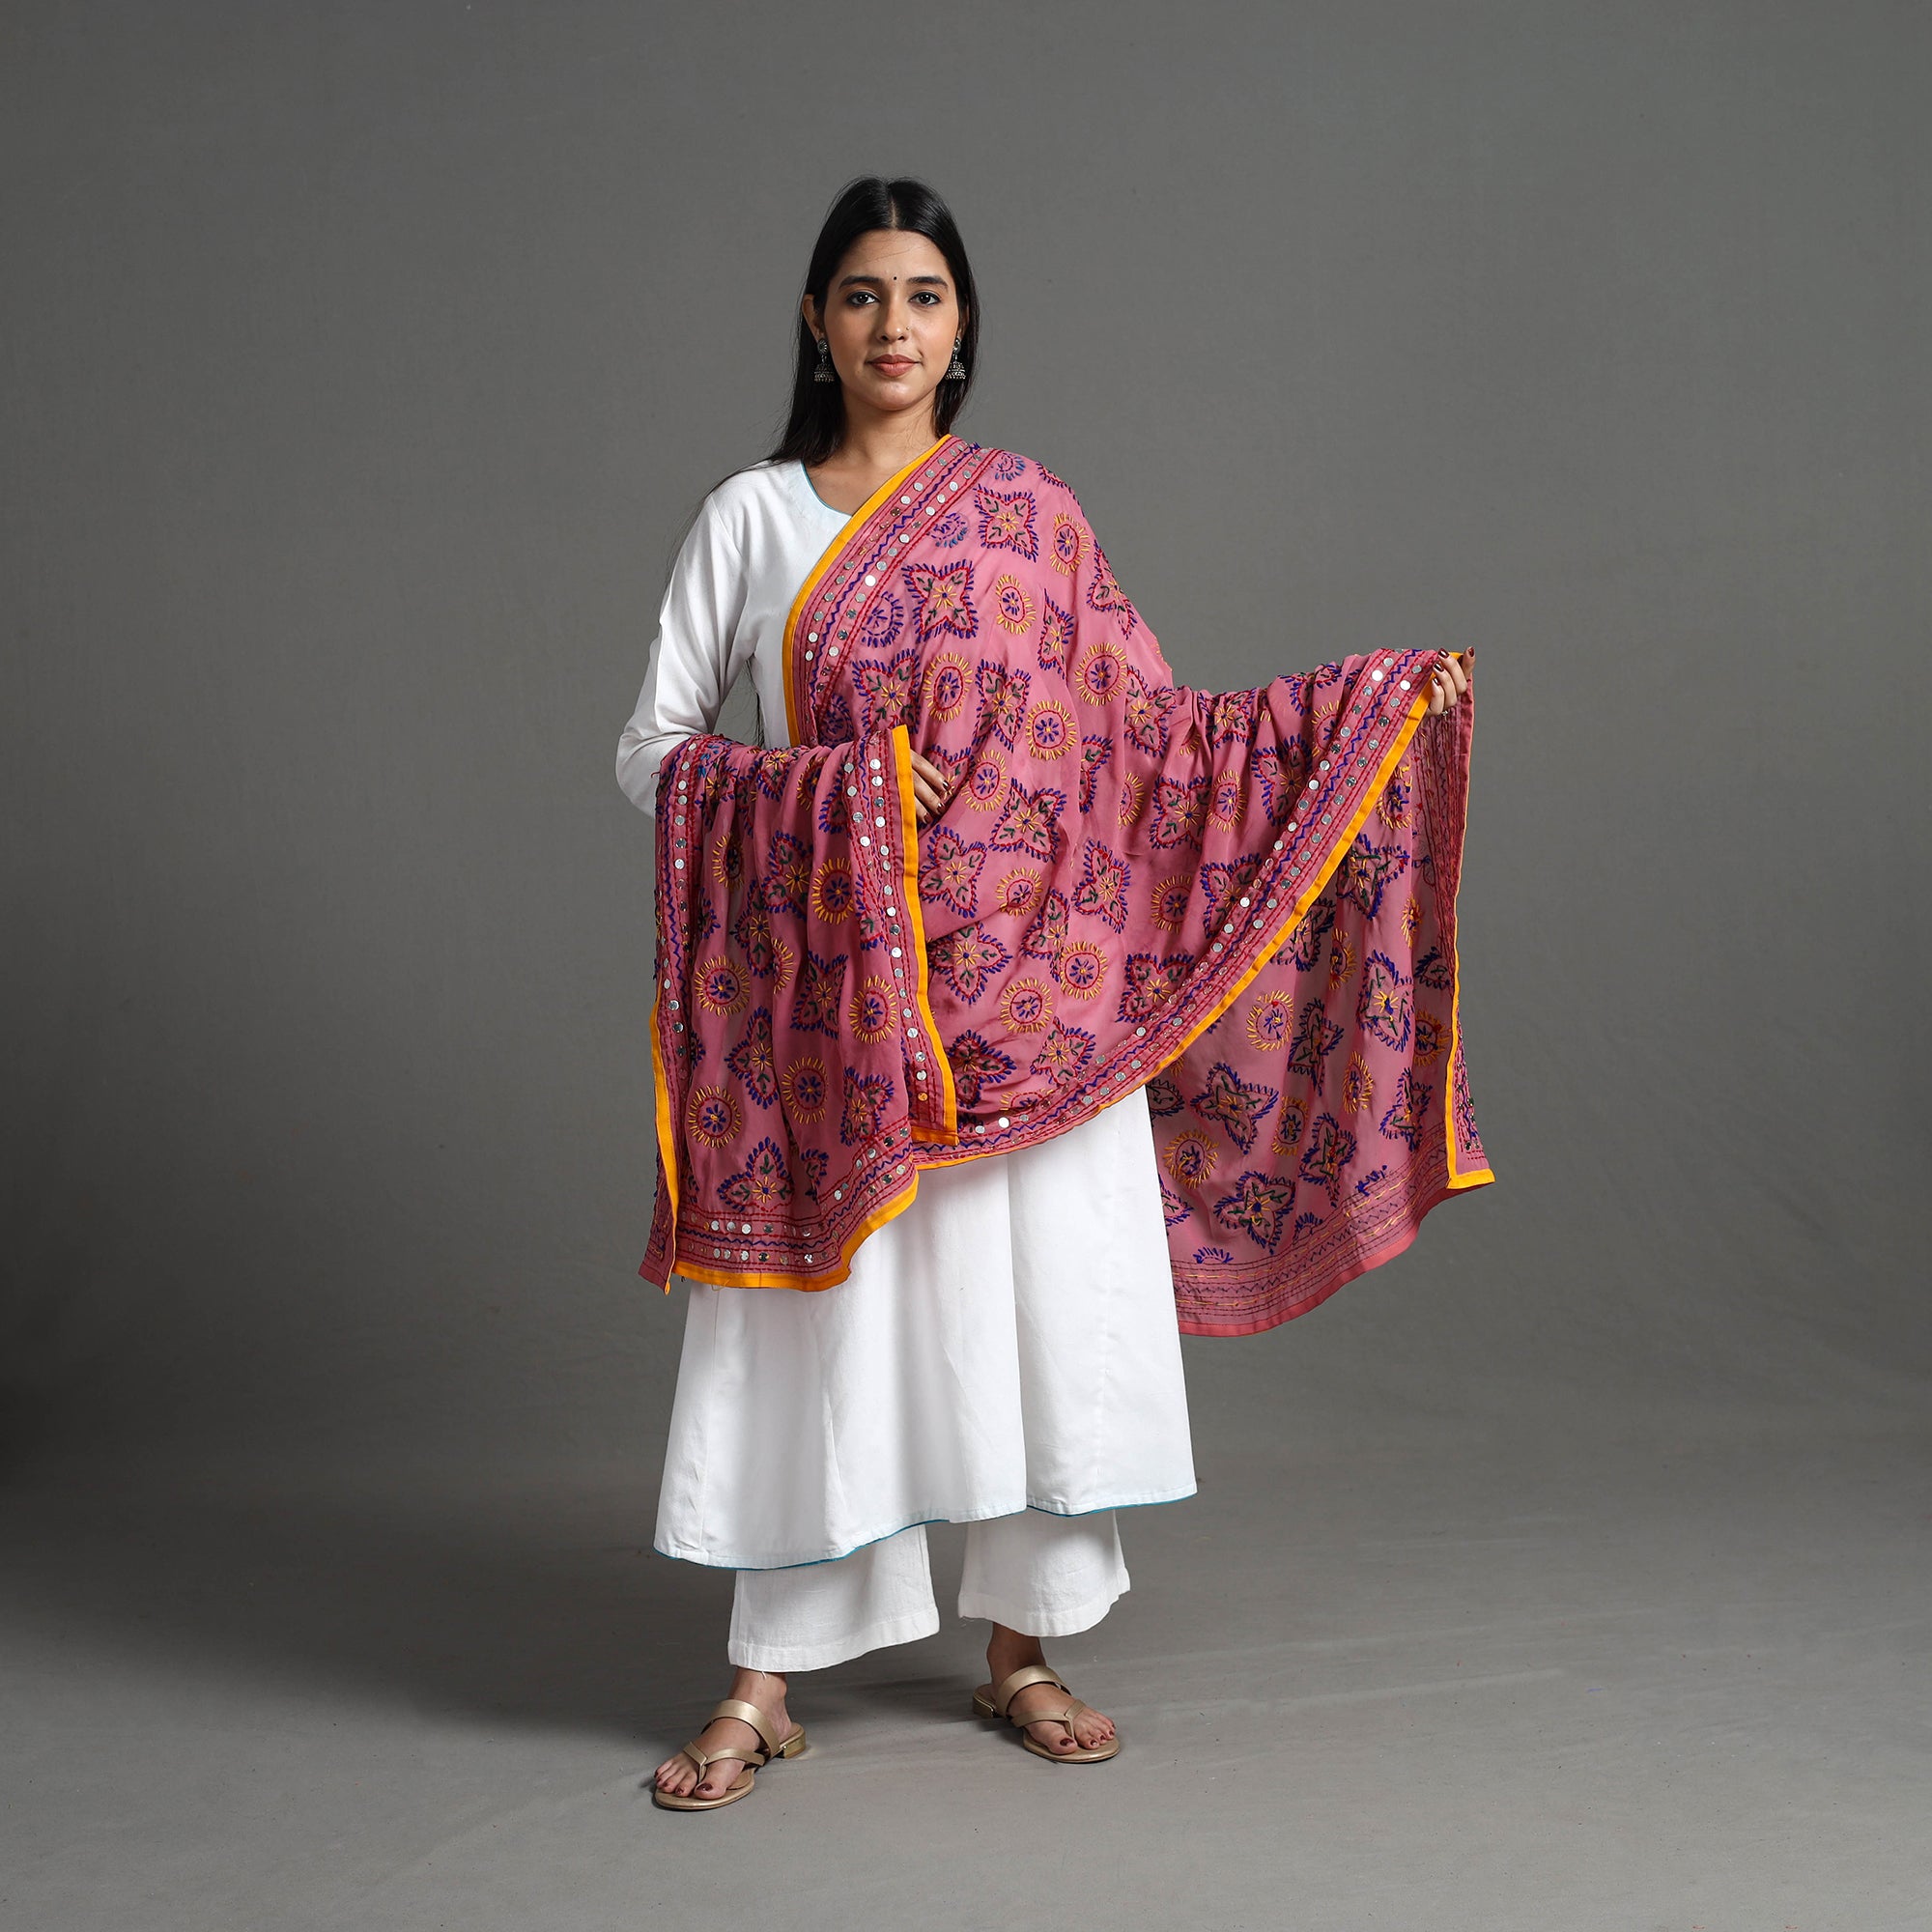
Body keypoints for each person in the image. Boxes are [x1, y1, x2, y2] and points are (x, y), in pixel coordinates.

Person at [617, 177, 1478, 1810]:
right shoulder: (753, 518)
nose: (892, 326)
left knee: (1037, 1320)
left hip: (1046, 997)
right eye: (861, 295)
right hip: (845, 1014)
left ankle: (1023, 1650)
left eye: (923, 296)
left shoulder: (1029, 515)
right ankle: (762, 1685)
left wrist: (1365, 709)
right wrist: (842, 796)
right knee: (826, 1336)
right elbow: (652, 753)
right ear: (815, 321)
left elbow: (1154, 742)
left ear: (961, 327)